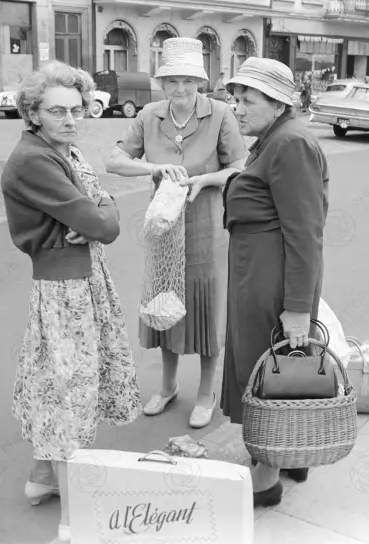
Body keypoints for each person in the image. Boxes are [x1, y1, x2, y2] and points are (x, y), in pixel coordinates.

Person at [1, 60, 141, 544]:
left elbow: (106, 208)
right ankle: (72, 519)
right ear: (33, 113)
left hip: (82, 278)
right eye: (57, 110)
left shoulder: (64, 150)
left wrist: (102, 211)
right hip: (64, 287)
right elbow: (104, 224)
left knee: (58, 379)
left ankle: (42, 479)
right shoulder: (35, 160)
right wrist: (101, 214)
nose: (70, 118)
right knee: (67, 389)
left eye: (76, 109)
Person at [104, 37, 247, 429]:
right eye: (171, 81)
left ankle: (205, 392)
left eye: (187, 80)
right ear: (161, 84)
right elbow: (114, 160)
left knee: (205, 307)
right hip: (163, 228)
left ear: (199, 81)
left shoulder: (219, 113)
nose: (180, 89)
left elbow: (241, 166)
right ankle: (167, 387)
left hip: (206, 227)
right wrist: (151, 170)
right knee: (163, 303)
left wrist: (207, 179)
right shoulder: (149, 115)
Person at [222, 57, 329, 507]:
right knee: (282, 369)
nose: (237, 109)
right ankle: (290, 455)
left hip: (271, 279)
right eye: (235, 98)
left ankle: (266, 477)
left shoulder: (289, 144)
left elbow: (305, 232)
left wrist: (298, 307)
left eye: (247, 100)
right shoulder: (274, 138)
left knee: (267, 373)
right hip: (259, 271)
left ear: (277, 102)